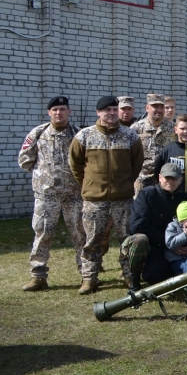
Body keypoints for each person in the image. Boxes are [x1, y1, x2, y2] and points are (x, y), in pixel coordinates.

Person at [69, 95, 144, 294]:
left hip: (123, 199)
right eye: (107, 110)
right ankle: (89, 278)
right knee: (92, 240)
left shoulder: (130, 136)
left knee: (127, 239)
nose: (111, 113)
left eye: (114, 109)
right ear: (98, 112)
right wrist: (88, 184)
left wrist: (126, 183)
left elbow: (137, 164)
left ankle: (130, 276)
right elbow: (75, 165)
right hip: (94, 200)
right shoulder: (84, 136)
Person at [19, 95, 86, 291]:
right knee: (42, 234)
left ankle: (87, 275)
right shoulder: (38, 133)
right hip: (46, 195)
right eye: (55, 110)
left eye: (62, 109)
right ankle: (38, 276)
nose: (59, 113)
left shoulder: (79, 134)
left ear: (69, 112)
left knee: (80, 234)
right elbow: (25, 160)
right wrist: (44, 174)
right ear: (49, 112)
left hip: (74, 195)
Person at [123, 162, 187, 287]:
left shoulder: (186, 199)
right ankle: (134, 280)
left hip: (179, 246)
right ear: (160, 178)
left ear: (180, 180)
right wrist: (169, 243)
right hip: (153, 244)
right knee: (139, 240)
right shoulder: (147, 194)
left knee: (163, 278)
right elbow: (137, 225)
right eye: (167, 177)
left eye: (174, 178)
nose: (170, 181)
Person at [131, 93, 175, 195]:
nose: (159, 110)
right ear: (147, 108)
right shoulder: (136, 129)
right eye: (155, 106)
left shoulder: (172, 129)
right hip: (141, 180)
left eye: (161, 107)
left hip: (165, 180)